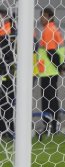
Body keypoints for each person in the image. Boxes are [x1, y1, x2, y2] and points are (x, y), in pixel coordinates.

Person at [38, 8, 65, 134]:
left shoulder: (49, 30)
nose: (40, 18)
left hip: (49, 70)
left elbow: (51, 52)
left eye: (42, 16)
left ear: (48, 16)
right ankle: (52, 125)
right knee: (51, 98)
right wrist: (61, 66)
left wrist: (59, 67)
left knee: (48, 99)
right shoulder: (53, 29)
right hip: (51, 70)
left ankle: (51, 126)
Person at [0, 9, 16, 139]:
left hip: (7, 74)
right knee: (5, 103)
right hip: (6, 73)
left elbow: (8, 55)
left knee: (7, 102)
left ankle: (8, 130)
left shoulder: (8, 32)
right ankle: (6, 130)